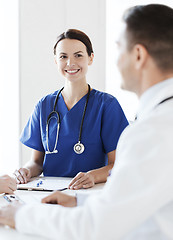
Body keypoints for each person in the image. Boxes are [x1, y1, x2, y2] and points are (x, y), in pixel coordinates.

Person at [1, 3, 173, 239]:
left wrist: (18, 216)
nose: (71, 62)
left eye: (118, 48)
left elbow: (97, 224)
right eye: (63, 56)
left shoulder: (151, 130)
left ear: (138, 55)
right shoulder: (159, 119)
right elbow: (130, 197)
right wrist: (78, 200)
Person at [13, 29, 128, 189]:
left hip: (91, 192)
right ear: (56, 61)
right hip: (49, 193)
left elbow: (117, 164)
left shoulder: (107, 105)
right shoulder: (44, 105)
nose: (70, 63)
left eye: (78, 55)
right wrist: (25, 170)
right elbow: (37, 162)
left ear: (91, 58)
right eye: (63, 56)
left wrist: (92, 176)